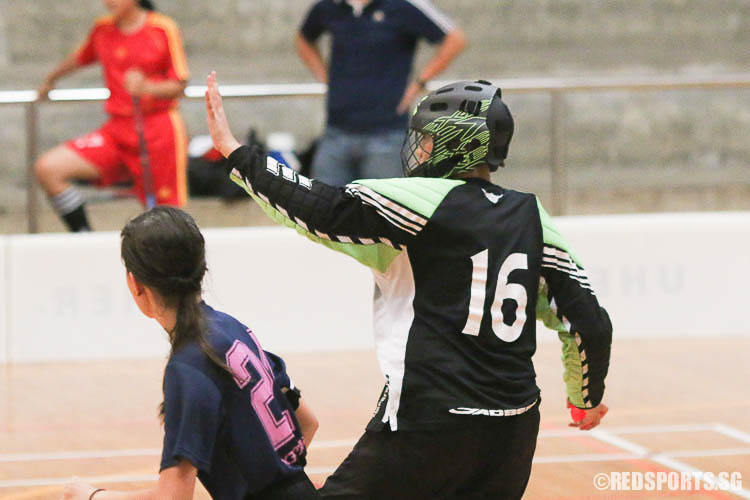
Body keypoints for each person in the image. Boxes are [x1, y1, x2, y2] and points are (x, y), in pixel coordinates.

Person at [206, 72, 612, 499]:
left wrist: (236, 154)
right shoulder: (533, 216)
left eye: (427, 139)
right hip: (513, 431)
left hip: (429, 422)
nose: (418, 149)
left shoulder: (417, 201)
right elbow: (590, 324)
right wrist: (585, 397)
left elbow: (317, 208)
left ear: (457, 143)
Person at [62, 206, 320, 499]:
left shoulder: (188, 367)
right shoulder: (233, 329)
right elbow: (308, 423)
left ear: (134, 284)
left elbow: (173, 497)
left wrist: (93, 496)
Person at [35, 0, 189, 232]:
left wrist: (147, 87)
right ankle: (84, 236)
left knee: (165, 215)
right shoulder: (103, 29)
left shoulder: (162, 28)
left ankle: (161, 259)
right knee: (48, 168)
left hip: (158, 128)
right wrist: (51, 78)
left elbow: (180, 83)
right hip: (117, 129)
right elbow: (80, 57)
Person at [296, 0, 466, 186]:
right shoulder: (331, 7)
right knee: (323, 206)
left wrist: (419, 83)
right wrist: (325, 76)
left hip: (387, 133)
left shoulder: (403, 5)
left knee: (381, 209)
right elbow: (303, 38)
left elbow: (454, 39)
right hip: (336, 130)